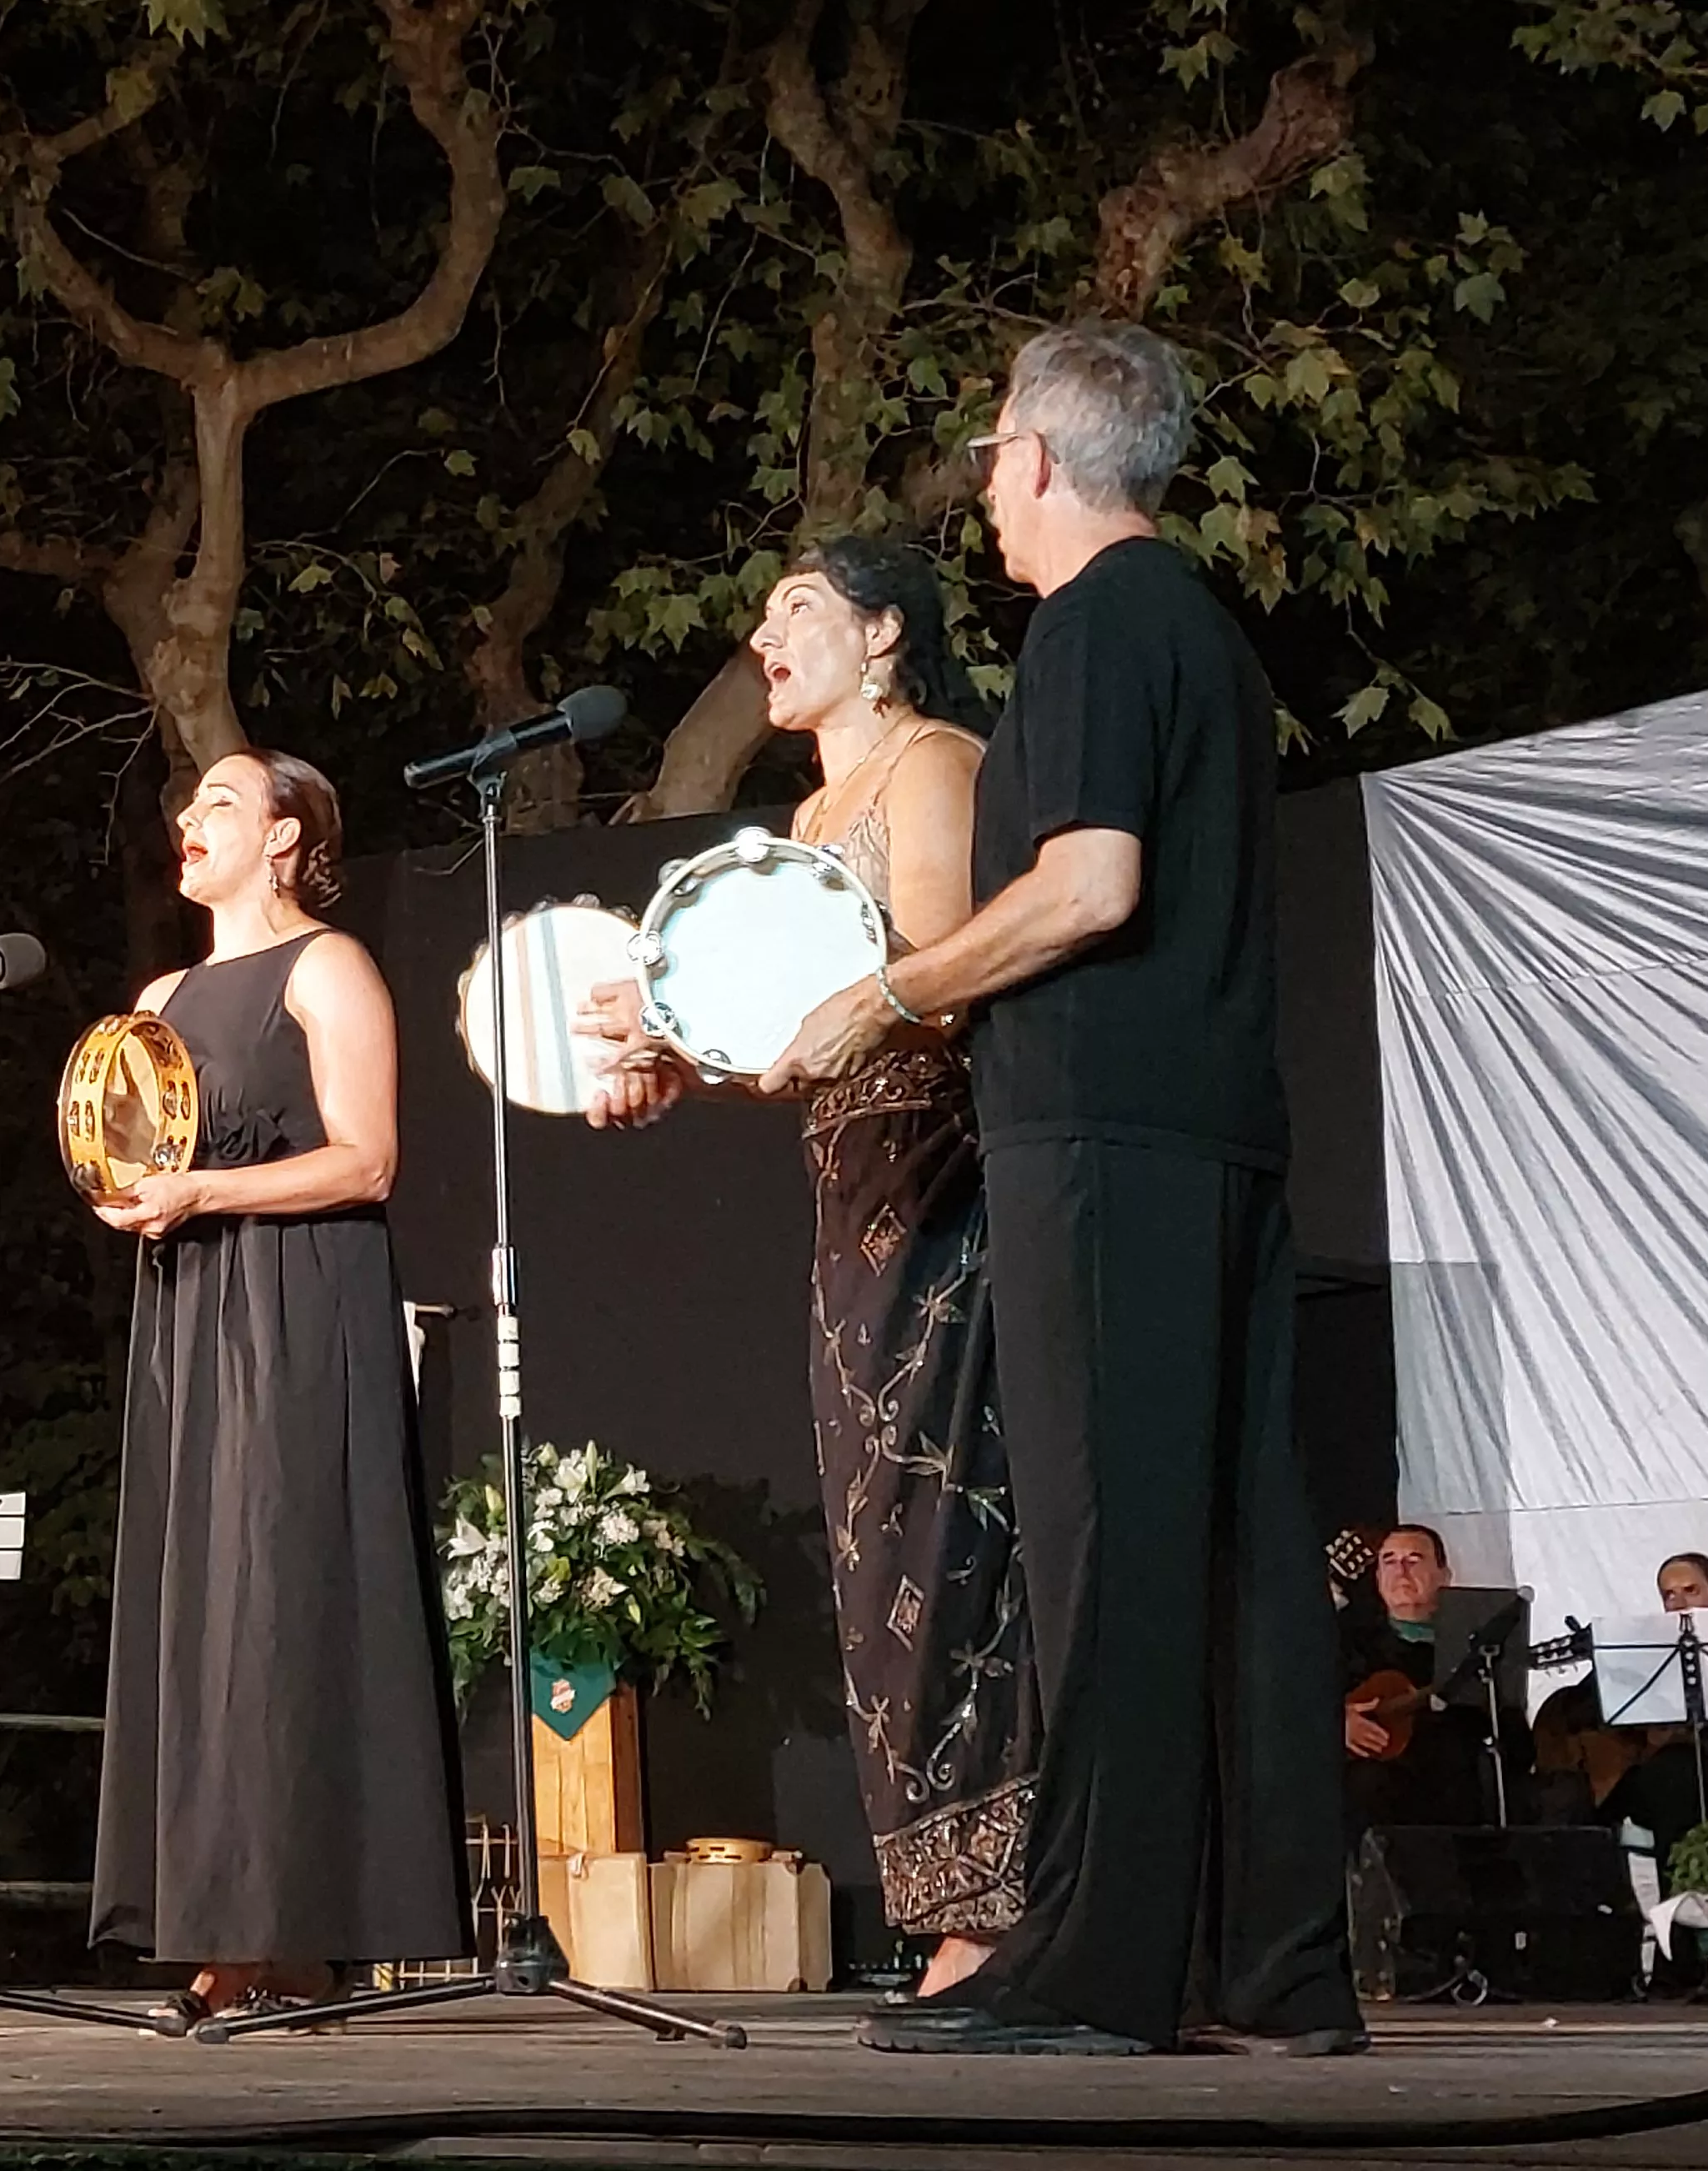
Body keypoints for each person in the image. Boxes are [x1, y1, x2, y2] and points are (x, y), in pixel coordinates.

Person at [770, 322, 1362, 2057]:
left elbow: (1088, 886)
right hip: (1208, 1131)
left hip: (1101, 1140)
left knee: (1101, 1547)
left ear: (1032, 457)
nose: (986, 493)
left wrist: (883, 990)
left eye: (986, 459)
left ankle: (1093, 1969)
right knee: (1239, 1556)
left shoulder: (1097, 622)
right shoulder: (1196, 624)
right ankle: (1272, 1974)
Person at [578, 539, 1033, 1998]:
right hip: (849, 1195)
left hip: (945, 1180)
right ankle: (943, 1894)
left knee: (955, 1531)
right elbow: (796, 1050)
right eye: (764, 608)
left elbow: (943, 977)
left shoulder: (928, 764)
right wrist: (676, 1056)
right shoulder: (807, 808)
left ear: (883, 632)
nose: (764, 630)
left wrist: (734, 1004)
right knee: (876, 1542)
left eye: (799, 607)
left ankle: (1001, 1905)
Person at [88, 747, 464, 2026]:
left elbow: (367, 1162)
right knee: (203, 1603)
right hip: (192, 1314)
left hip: (300, 1305)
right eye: (190, 804)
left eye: (225, 803)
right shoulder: (163, 993)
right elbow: (135, 1142)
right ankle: (224, 1919)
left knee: (279, 1591)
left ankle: (290, 1924)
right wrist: (145, 1195)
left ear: (291, 836)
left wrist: (205, 1192)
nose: (191, 819)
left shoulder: (328, 967)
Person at [1339, 1525, 1490, 1828]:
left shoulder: (1474, 1645)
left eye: (1414, 1559)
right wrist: (1337, 1722)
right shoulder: (1345, 1643)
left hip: (1454, 1798)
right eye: (1390, 1561)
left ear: (1443, 1577)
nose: (1401, 1570)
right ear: (1378, 1578)